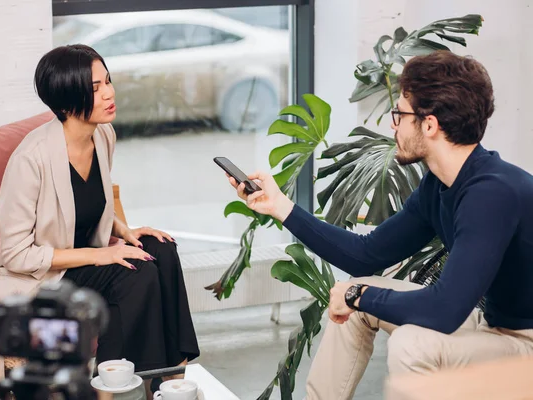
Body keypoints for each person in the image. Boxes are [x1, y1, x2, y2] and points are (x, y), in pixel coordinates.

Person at [227, 51, 533, 399]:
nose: (393, 125)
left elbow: (445, 311)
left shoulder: (492, 193)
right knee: (357, 293)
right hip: (492, 328)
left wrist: (358, 296)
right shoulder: (440, 185)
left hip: (525, 344)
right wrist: (280, 206)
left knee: (409, 342)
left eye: (399, 114)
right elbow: (365, 255)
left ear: (429, 124)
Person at [0, 44, 200, 398]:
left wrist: (125, 231)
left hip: (88, 259)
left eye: (108, 81)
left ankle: (167, 375)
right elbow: (15, 254)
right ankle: (125, 385)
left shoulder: (103, 136)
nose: (109, 93)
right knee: (136, 273)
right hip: (47, 275)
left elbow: (90, 204)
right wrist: (100, 256)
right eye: (95, 88)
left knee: (160, 250)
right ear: (66, 102)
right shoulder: (32, 159)